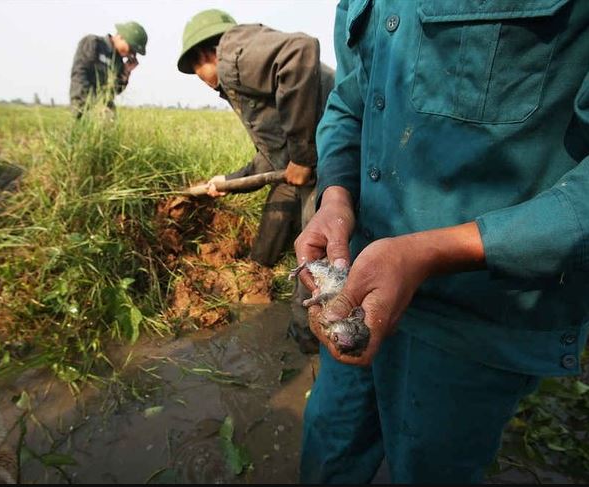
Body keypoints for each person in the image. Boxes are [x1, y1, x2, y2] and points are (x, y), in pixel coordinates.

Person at [295, 0, 588, 483]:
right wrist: (335, 197)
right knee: (327, 444)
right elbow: (349, 103)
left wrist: (432, 252)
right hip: (361, 286)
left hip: (476, 321)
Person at [177, 9, 335, 354]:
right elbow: (270, 160)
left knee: (315, 239)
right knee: (282, 197)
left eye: (195, 70)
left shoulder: (233, 53)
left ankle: (308, 334)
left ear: (205, 54)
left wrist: (302, 156)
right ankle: (258, 270)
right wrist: (227, 181)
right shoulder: (242, 83)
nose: (200, 79)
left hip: (333, 153)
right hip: (311, 156)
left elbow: (301, 50)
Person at [69, 21, 147, 118]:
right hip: (84, 105)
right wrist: (92, 106)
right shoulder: (93, 43)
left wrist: (126, 72)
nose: (131, 55)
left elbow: (115, 91)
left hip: (104, 110)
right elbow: (79, 75)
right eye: (131, 49)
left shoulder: (118, 61)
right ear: (121, 37)